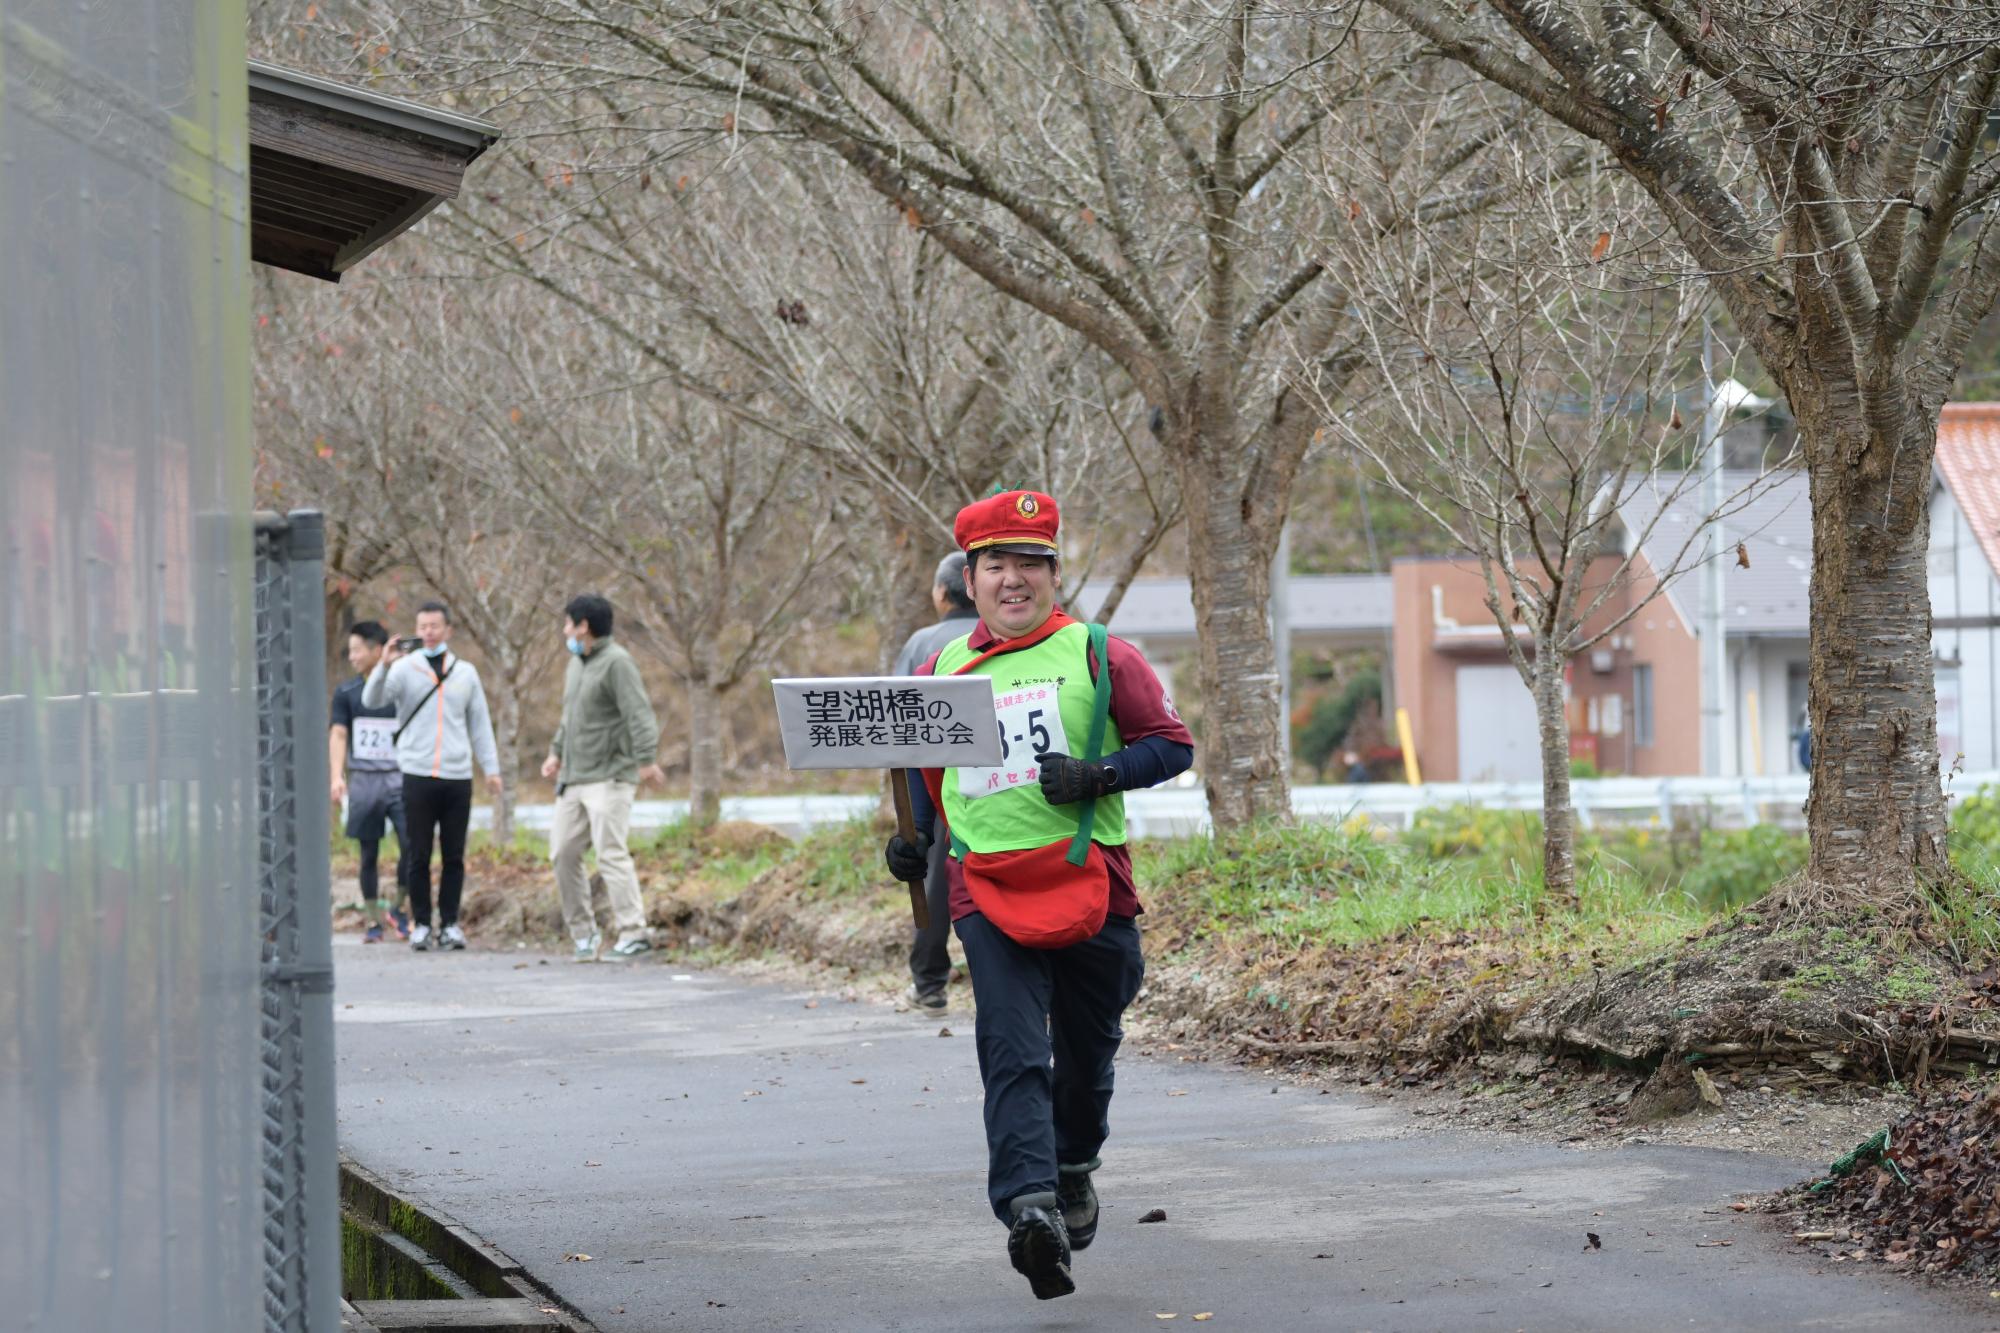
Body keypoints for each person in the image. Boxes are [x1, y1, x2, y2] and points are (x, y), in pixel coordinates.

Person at [884, 490, 1193, 1301]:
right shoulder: (942, 671)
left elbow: (1172, 746)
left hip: (1093, 885)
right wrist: (911, 838)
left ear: (1054, 574)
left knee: (1086, 1058)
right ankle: (1030, 1209)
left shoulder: (1100, 654)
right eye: (996, 565)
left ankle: (1074, 1162)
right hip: (985, 889)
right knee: (1013, 1049)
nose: (1013, 579)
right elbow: (924, 774)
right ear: (971, 578)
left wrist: (1102, 773)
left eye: (1031, 563)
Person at [364, 601, 503, 952]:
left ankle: (451, 923)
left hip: (457, 774)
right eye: (422, 625)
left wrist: (491, 768)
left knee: (454, 854)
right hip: (417, 772)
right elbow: (372, 699)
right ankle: (422, 923)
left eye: (435, 626)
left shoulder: (465, 672)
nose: (428, 632)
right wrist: (383, 664)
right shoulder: (404, 669)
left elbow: (480, 724)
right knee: (418, 853)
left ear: (448, 630)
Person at [540, 594, 664, 961]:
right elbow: (570, 716)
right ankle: (584, 934)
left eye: (568, 623)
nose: (564, 630)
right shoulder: (576, 664)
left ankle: (634, 932)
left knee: (610, 853)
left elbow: (638, 713)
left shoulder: (617, 663)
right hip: (575, 776)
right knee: (563, 852)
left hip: (611, 776)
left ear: (584, 626)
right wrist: (555, 753)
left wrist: (645, 760)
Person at [891, 550, 980, 1012]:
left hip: (938, 778)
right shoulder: (1008, 636)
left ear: (943, 594)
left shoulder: (925, 641)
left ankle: (929, 985)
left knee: (936, 883)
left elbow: (897, 716)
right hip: (1003, 777)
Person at [329, 621, 410, 942]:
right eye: (350, 651)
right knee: (368, 853)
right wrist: (336, 776)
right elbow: (338, 733)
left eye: (357, 650)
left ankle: (400, 908)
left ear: (378, 651)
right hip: (363, 779)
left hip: (400, 777)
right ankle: (374, 919)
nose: (352, 657)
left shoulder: (401, 688)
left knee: (412, 844)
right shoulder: (347, 693)